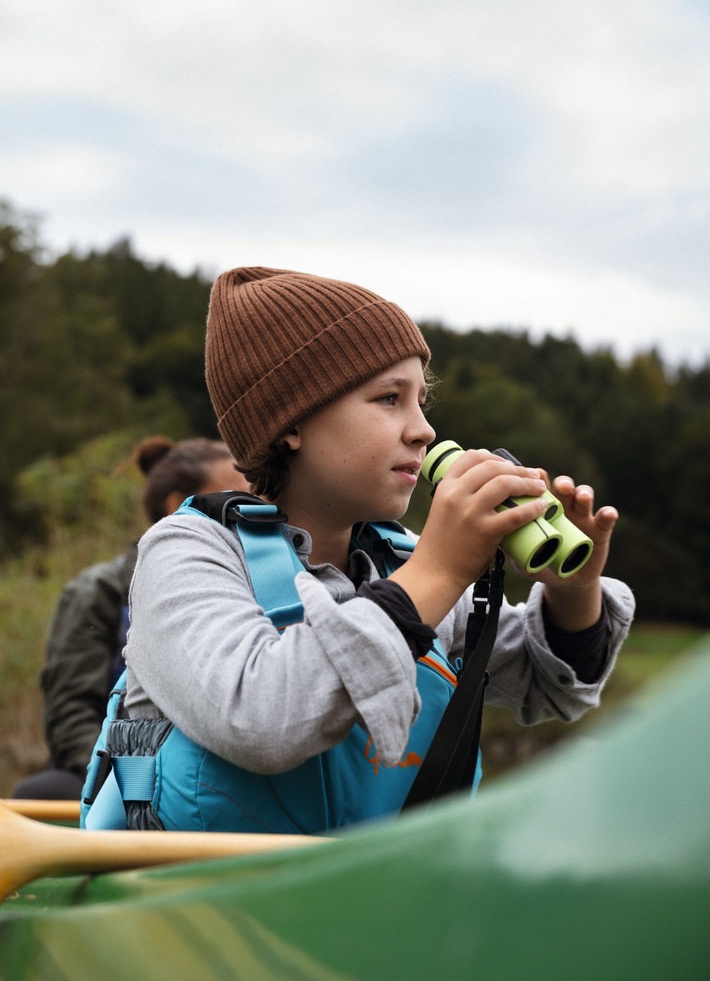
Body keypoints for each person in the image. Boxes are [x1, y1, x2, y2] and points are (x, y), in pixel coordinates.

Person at [86, 265, 635, 834]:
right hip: (196, 912)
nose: (423, 430)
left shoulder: (400, 563)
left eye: (423, 401)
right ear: (290, 423)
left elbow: (548, 682)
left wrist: (575, 590)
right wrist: (441, 568)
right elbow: (259, 719)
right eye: (389, 399)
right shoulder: (187, 552)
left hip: (367, 913)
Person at [12, 435, 246, 801]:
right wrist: (127, 783)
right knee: (40, 792)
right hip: (116, 775)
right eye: (235, 496)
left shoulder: (258, 581)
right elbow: (71, 713)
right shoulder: (97, 592)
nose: (252, 508)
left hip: (207, 777)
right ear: (178, 507)